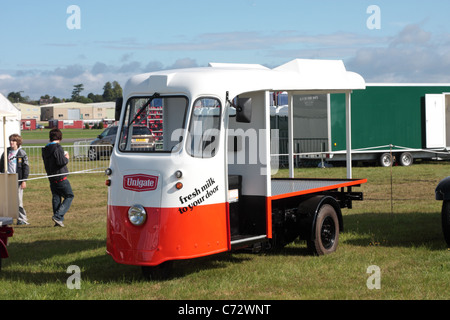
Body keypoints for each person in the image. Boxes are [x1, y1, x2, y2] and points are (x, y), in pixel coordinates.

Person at [42, 128, 74, 227]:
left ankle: (57, 221)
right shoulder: (57, 148)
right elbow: (61, 162)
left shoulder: (46, 149)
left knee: (56, 198)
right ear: (60, 137)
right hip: (60, 176)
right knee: (69, 196)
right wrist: (66, 158)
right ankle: (58, 216)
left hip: (51, 177)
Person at [0, 134, 30, 225]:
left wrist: (24, 180)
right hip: (7, 179)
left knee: (18, 201)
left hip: (18, 180)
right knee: (7, 201)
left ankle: (22, 219)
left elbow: (26, 167)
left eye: (13, 141)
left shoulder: (21, 153)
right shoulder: (6, 152)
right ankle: (7, 219)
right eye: (10, 141)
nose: (11, 142)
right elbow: (1, 164)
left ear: (18, 142)